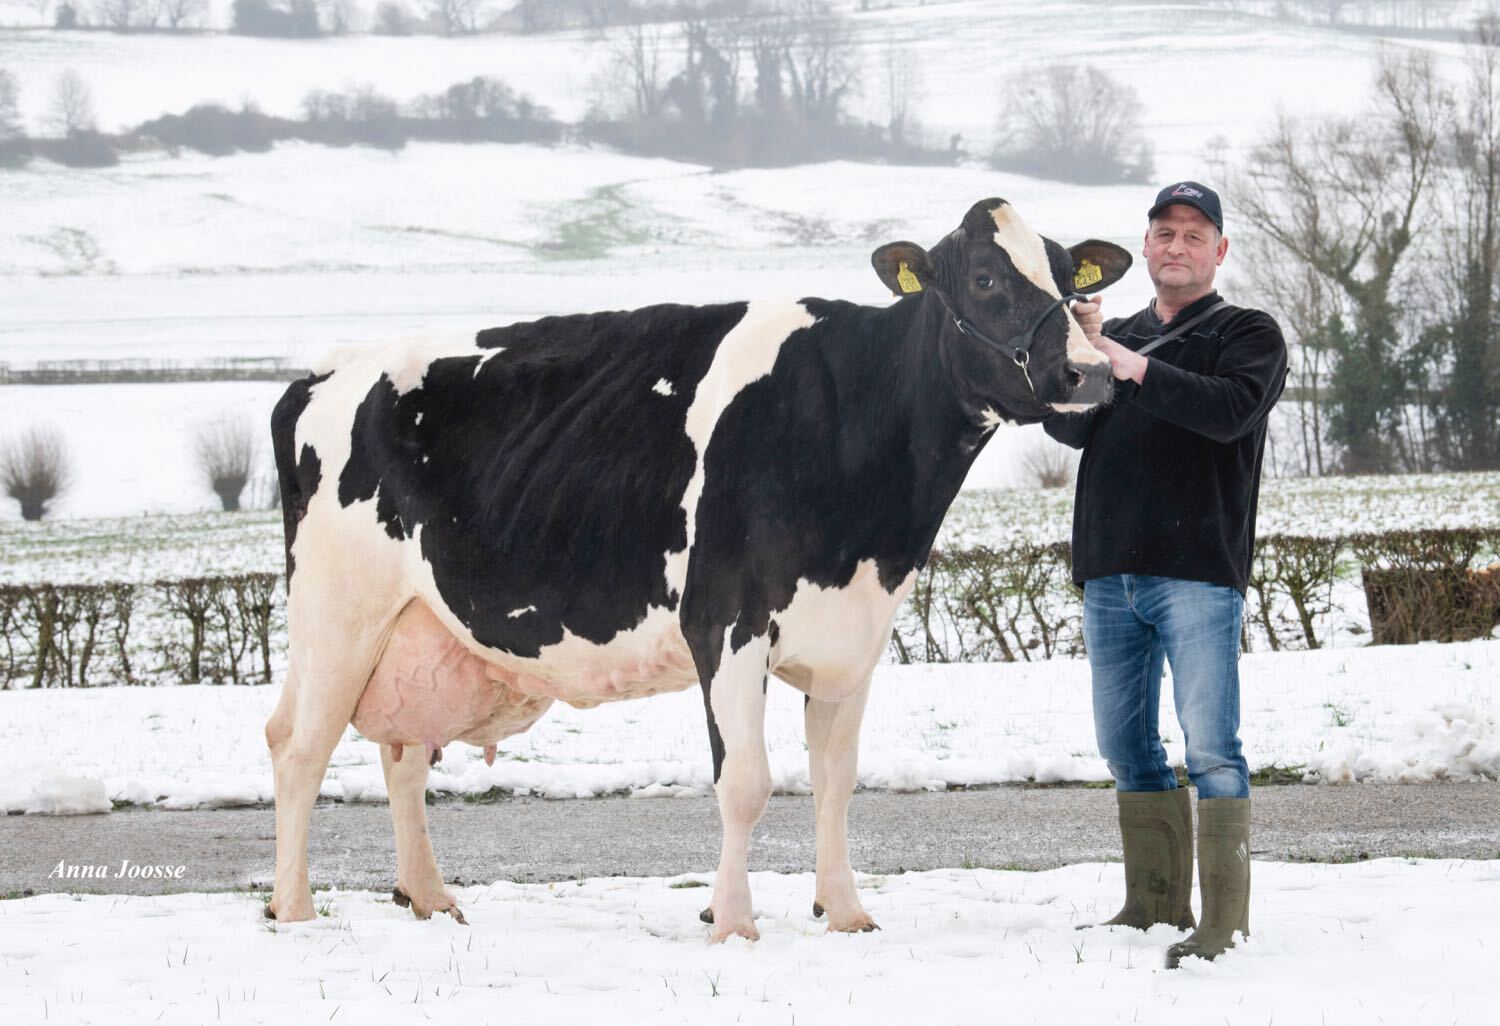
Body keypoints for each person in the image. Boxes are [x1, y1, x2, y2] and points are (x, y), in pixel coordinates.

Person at [1044, 181, 1287, 968]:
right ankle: (1152, 904)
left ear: (1218, 251)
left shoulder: (1248, 333)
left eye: (1193, 234)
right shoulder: (1115, 334)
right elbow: (1067, 429)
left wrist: (1127, 363)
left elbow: (1228, 413)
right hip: (1110, 570)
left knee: (1212, 748)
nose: (1175, 245)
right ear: (1144, 248)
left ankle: (1224, 923)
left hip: (1197, 571)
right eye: (1162, 232)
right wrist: (1078, 354)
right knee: (1126, 748)